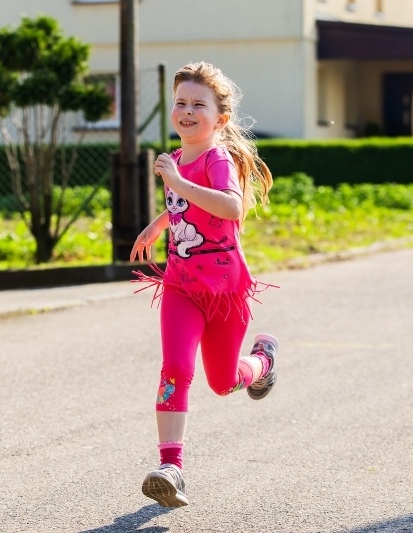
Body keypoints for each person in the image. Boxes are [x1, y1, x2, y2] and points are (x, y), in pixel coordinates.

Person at [130, 62, 278, 508]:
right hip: (181, 286)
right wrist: (158, 225)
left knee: (222, 381)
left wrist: (175, 183)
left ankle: (261, 362)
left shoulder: (217, 158)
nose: (187, 111)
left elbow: (231, 207)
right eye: (181, 103)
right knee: (175, 368)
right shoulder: (177, 160)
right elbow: (182, 203)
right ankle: (171, 467)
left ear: (221, 119)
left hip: (225, 290)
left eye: (199, 104)